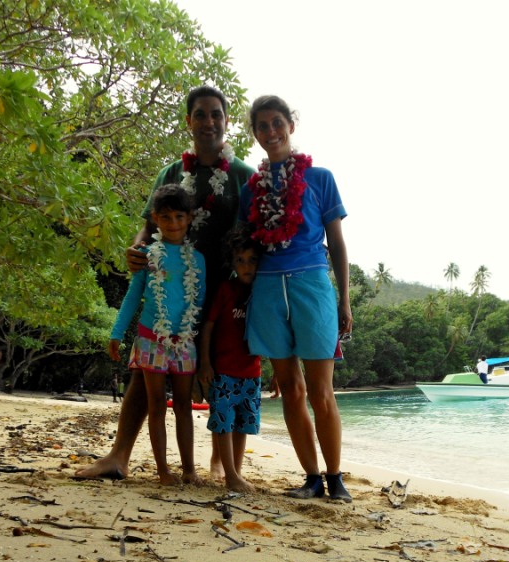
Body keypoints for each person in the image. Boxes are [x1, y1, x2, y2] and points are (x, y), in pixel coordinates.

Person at [76, 85, 254, 481]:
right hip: (167, 293)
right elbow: (146, 227)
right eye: (200, 114)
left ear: (226, 121)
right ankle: (118, 456)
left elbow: (255, 238)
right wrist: (137, 250)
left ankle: (221, 462)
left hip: (224, 292)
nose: (209, 122)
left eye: (216, 114)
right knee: (144, 377)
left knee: (226, 372)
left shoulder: (243, 175)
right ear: (189, 121)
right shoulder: (172, 172)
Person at [239, 95, 352, 502]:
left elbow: (337, 243)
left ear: (291, 124)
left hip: (312, 286)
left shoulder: (320, 178)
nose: (271, 131)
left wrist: (344, 299)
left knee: (321, 390)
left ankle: (336, 478)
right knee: (290, 388)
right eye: (262, 126)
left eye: (277, 122)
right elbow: (246, 248)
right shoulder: (252, 190)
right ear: (255, 133)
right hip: (268, 290)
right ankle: (311, 478)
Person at [108, 185, 205, 486]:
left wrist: (200, 347)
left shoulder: (198, 260)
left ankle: (189, 470)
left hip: (184, 342)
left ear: (190, 218)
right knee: (156, 405)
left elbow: (200, 303)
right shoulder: (147, 256)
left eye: (179, 216)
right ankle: (163, 470)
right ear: (155, 218)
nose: (173, 223)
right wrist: (116, 333)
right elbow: (132, 296)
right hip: (151, 339)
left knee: (184, 407)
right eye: (166, 217)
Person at [197, 226, 262, 492]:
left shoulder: (261, 292)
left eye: (252, 260)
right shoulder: (225, 289)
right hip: (223, 371)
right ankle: (230, 475)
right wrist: (205, 362)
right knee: (223, 423)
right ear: (232, 263)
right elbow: (208, 326)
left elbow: (272, 333)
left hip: (252, 372)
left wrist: (277, 372)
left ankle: (236, 472)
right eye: (240, 260)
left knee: (243, 424)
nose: (246, 266)